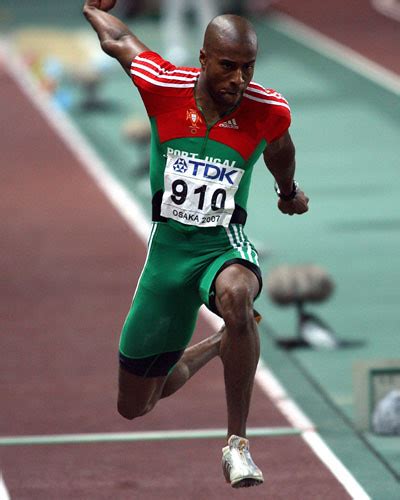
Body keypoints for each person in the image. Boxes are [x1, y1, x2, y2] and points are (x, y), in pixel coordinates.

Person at [83, 0, 309, 489]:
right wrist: (88, 8)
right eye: (228, 66)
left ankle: (237, 446)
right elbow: (120, 42)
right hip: (167, 257)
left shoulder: (267, 110)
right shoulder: (163, 84)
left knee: (236, 295)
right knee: (136, 404)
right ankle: (222, 340)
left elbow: (281, 149)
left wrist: (287, 193)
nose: (239, 79)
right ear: (204, 59)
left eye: (249, 67)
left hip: (220, 248)